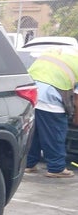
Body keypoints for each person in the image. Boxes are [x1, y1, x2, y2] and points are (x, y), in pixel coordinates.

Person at [25, 47, 78, 178]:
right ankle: (56, 168)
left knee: (35, 134)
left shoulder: (61, 54)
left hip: (32, 93)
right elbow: (77, 97)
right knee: (55, 134)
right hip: (51, 99)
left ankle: (29, 164)